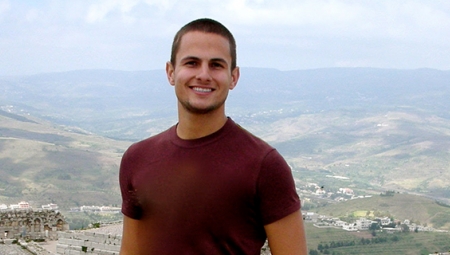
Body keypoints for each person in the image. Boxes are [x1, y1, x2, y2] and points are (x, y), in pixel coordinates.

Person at [119, 18, 307, 255]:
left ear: (233, 77)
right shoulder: (137, 158)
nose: (204, 75)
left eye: (216, 65)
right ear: (171, 72)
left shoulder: (265, 165)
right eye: (192, 63)